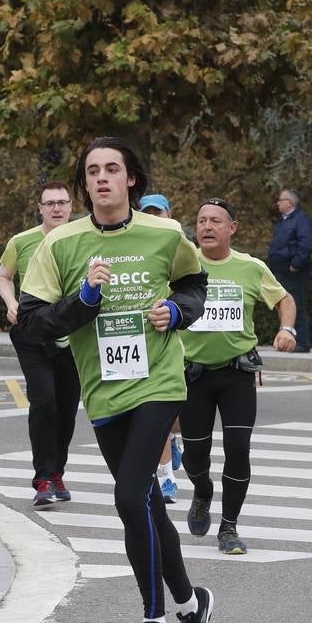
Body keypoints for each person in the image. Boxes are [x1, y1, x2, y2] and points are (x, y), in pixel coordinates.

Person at [18, 135, 213, 623]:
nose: (101, 178)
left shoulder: (163, 233)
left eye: (112, 169)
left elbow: (196, 285)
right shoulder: (61, 245)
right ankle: (191, 607)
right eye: (92, 171)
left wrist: (176, 311)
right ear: (84, 184)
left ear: (132, 180)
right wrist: (83, 300)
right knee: (147, 506)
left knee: (130, 495)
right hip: (103, 392)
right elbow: (31, 322)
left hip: (159, 381)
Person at [181, 198, 299, 555]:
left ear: (231, 228)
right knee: (195, 454)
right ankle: (202, 492)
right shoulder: (182, 266)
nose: (207, 227)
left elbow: (285, 299)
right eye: (201, 220)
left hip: (237, 373)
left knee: (238, 450)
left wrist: (287, 329)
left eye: (216, 221)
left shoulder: (250, 267)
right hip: (193, 374)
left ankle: (229, 527)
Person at [0, 180, 80, 506]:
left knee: (68, 408)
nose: (57, 208)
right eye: (50, 203)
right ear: (41, 208)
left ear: (71, 206)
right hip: (32, 333)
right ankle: (43, 477)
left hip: (72, 337)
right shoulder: (22, 241)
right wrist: (11, 302)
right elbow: (4, 276)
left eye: (62, 202)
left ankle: (57, 471)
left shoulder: (82, 238)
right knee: (44, 400)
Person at [139, 193, 184, 501]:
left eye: (159, 213)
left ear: (170, 214)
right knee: (160, 410)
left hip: (187, 338)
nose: (154, 218)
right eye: (148, 213)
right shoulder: (138, 247)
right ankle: (166, 477)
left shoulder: (181, 246)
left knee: (180, 412)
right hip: (153, 341)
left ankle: (178, 440)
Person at [269, 187, 312, 352]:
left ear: (290, 203)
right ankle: (285, 339)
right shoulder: (284, 221)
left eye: (280, 200)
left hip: (294, 272)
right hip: (281, 270)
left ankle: (301, 342)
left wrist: (296, 264)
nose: (278, 203)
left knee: (296, 305)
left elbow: (306, 244)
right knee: (283, 306)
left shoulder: (301, 220)